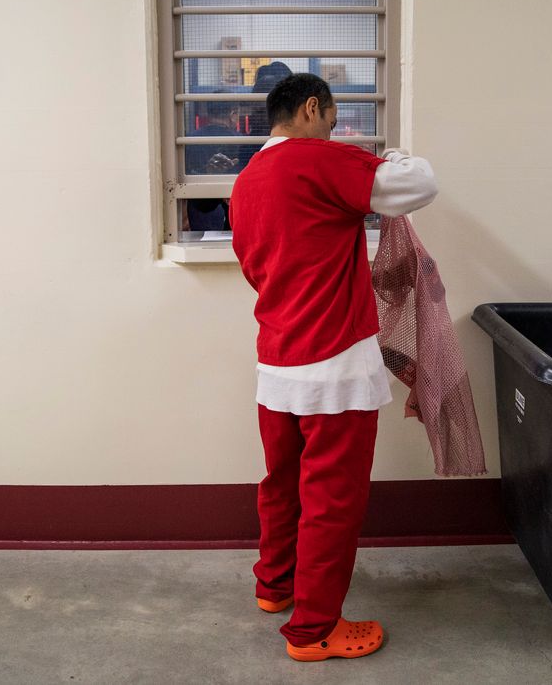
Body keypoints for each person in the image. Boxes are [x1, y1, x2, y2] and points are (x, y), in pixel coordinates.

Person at [229, 73, 438, 662]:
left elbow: (254, 265)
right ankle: (315, 630)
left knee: (282, 485)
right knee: (332, 500)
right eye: (331, 118)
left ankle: (274, 587)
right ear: (312, 108)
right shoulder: (315, 161)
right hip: (336, 366)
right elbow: (418, 184)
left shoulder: (246, 184)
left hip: (277, 362)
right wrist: (392, 155)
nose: (334, 131)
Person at [185, 97, 240, 232]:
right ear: (232, 114)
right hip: (231, 220)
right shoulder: (241, 141)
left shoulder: (190, 140)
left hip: (199, 216)